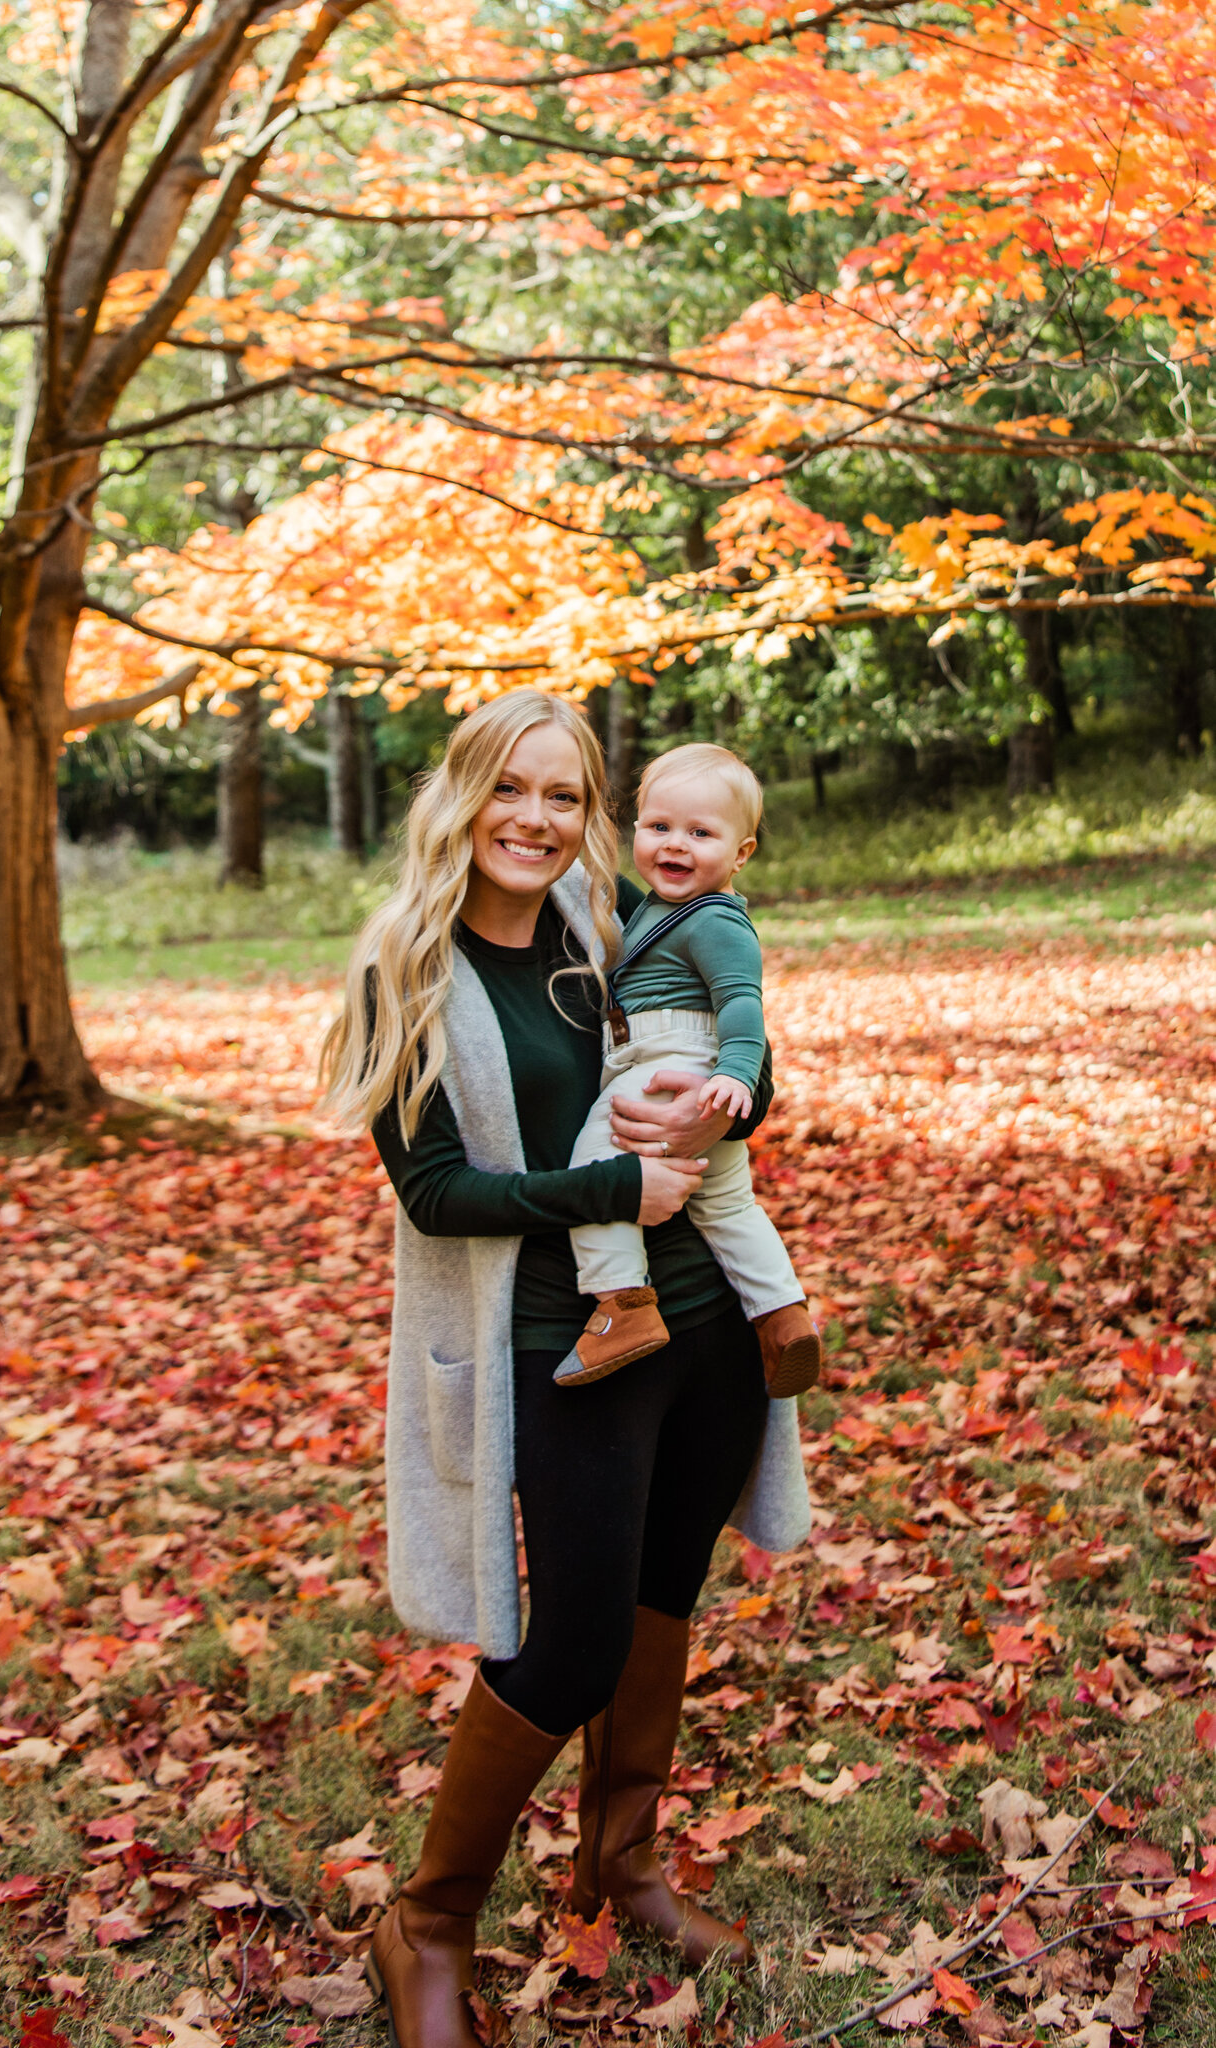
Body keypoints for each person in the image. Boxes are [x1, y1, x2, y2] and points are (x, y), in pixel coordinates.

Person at [322, 689, 811, 2048]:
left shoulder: (608, 930)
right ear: (460, 796)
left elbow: (732, 1055)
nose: (535, 821)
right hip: (559, 1336)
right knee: (575, 1637)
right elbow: (429, 1191)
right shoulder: (403, 972)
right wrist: (609, 1182)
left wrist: (735, 1099)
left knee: (665, 1590)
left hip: (701, 1315)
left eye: (562, 796)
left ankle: (620, 1862)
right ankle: (423, 1920)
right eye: (509, 789)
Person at [554, 742, 823, 1394]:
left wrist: (734, 1076)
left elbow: (740, 1004)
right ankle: (782, 1317)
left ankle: (622, 1303)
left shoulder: (714, 921)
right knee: (729, 1205)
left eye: (700, 833)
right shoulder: (653, 905)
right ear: (635, 828)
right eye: (659, 827)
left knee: (597, 1170)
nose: (675, 846)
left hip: (667, 1061)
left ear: (741, 853)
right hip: (677, 1058)